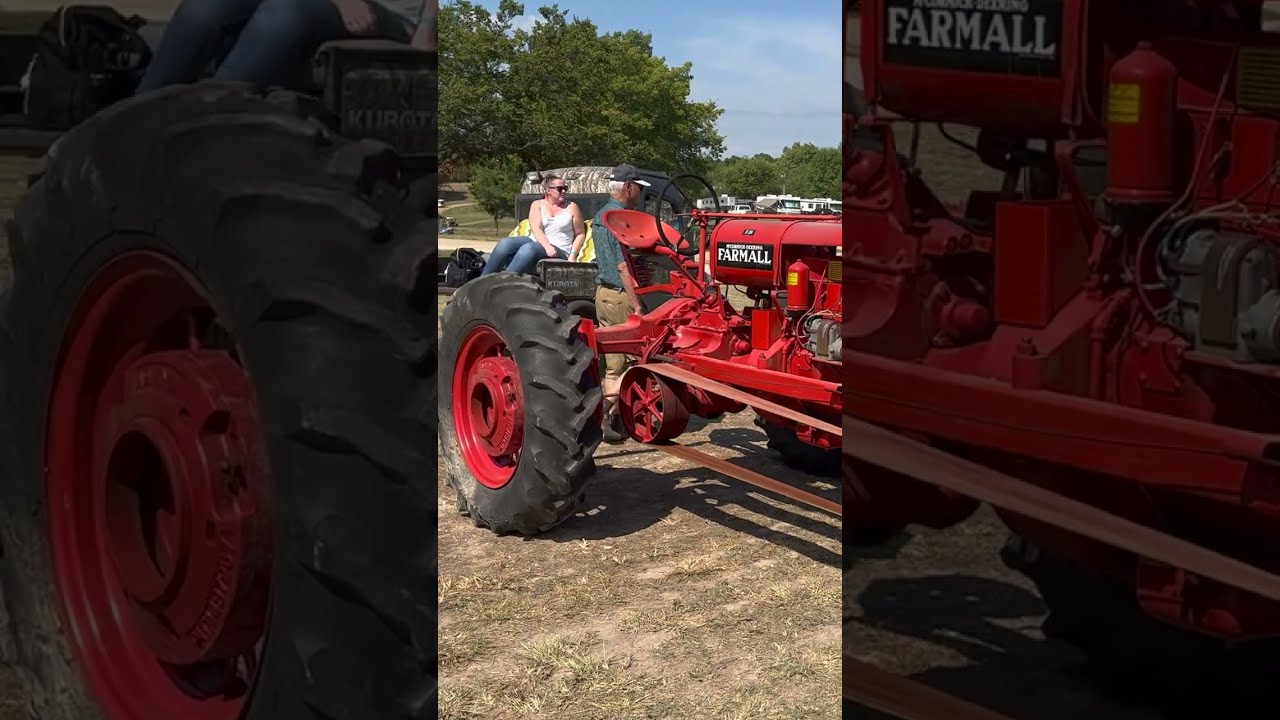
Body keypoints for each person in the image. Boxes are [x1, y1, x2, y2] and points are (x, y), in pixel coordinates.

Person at [136, 0, 436, 93]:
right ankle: (135, 114)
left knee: (284, 13)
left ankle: (212, 113)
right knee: (210, 6)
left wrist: (427, 30)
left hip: (394, 15)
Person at [590, 165, 649, 443]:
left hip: (605, 294)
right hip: (619, 295)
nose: (640, 192)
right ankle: (607, 418)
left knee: (618, 361)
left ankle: (615, 415)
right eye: (638, 187)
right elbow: (622, 266)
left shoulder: (601, 216)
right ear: (628, 187)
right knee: (619, 363)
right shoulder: (613, 218)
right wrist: (637, 304)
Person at [480, 176, 586, 276]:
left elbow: (580, 234)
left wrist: (572, 255)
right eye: (560, 188)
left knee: (529, 248)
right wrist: (547, 246)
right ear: (548, 190)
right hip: (539, 242)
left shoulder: (572, 207)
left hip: (560, 248)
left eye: (565, 188)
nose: (563, 191)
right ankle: (480, 282)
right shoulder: (537, 204)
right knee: (505, 243)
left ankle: (503, 282)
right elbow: (537, 229)